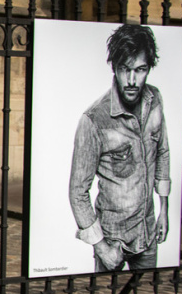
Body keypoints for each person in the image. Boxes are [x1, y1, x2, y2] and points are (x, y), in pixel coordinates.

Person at [69, 24, 170, 273]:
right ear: (114, 67)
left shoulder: (154, 99)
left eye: (140, 70)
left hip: (147, 237)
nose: (132, 80)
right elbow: (77, 192)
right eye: (125, 70)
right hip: (113, 240)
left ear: (148, 69)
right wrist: (102, 248)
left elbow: (162, 152)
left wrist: (164, 210)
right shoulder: (94, 120)